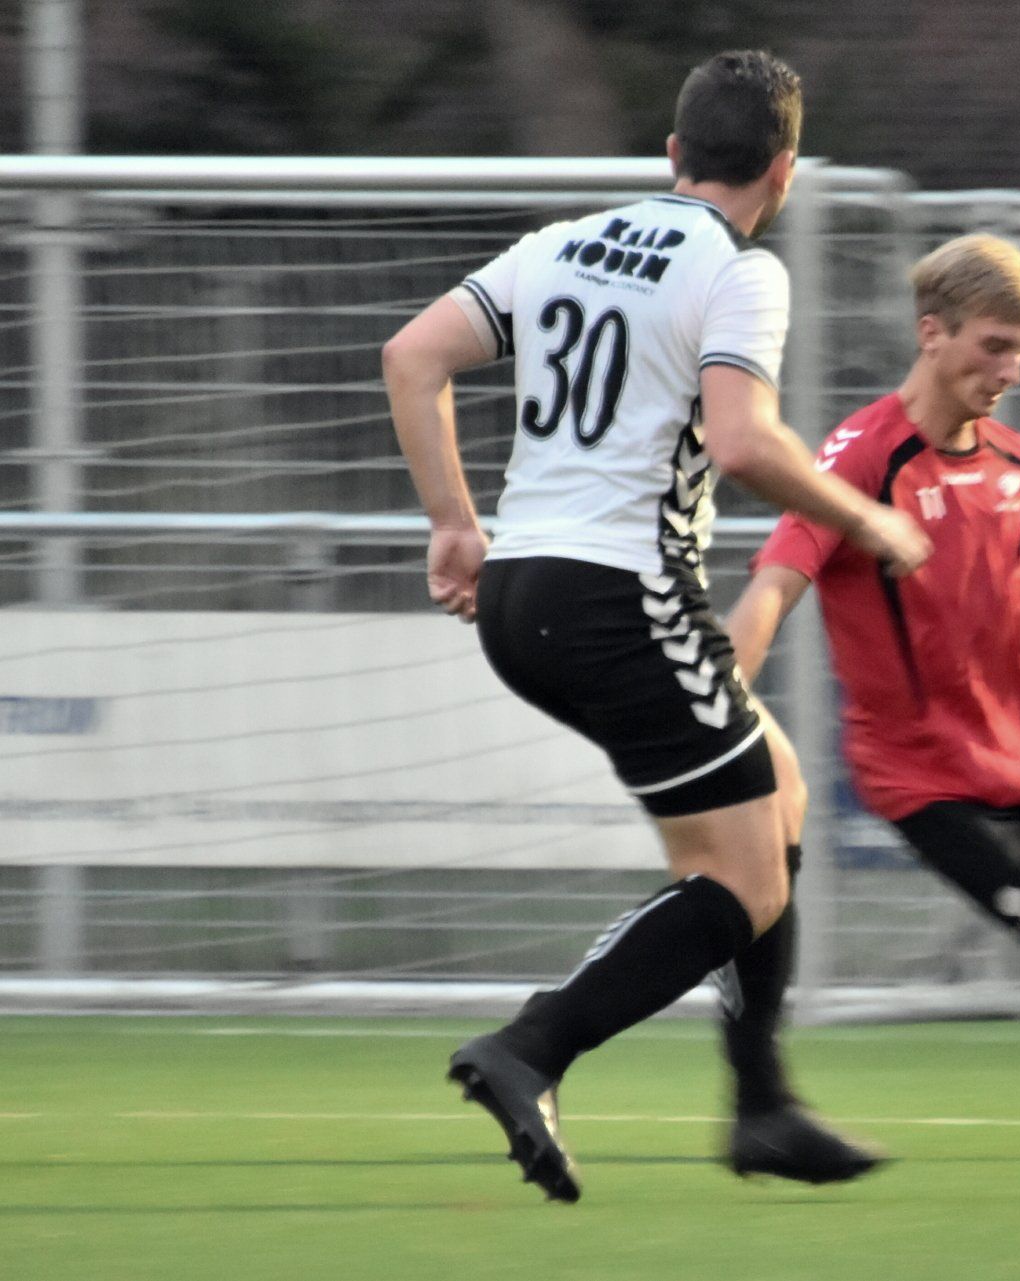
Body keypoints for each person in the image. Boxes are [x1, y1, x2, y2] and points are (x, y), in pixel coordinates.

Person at [381, 49, 929, 1203]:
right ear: (783, 172)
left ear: (674, 154)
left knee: (776, 795)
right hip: (619, 596)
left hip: (520, 593)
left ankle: (763, 1104)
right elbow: (743, 441)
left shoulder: (561, 243)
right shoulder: (737, 271)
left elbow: (413, 356)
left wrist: (453, 526)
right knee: (743, 883)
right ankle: (532, 1047)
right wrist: (868, 519)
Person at [726, 233, 1020, 1154]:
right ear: (932, 333)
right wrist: (715, 706)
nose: (1011, 371)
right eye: (994, 347)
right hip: (924, 773)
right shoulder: (859, 460)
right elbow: (775, 587)